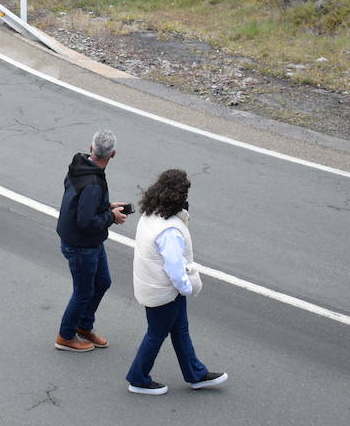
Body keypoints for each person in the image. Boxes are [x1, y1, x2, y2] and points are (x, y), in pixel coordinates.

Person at [125, 169, 228, 395]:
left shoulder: (150, 214)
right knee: (157, 333)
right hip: (165, 291)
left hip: (153, 285)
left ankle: (196, 374)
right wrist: (187, 288)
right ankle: (138, 378)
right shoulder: (170, 230)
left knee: (180, 329)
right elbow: (175, 268)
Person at [55, 130, 127, 353]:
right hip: (81, 244)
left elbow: (82, 204)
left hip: (87, 240)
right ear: (112, 154)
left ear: (90, 148)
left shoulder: (80, 164)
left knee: (102, 282)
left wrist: (106, 207)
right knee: (84, 291)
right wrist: (111, 217)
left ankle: (84, 326)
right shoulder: (94, 183)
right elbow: (86, 221)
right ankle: (66, 335)